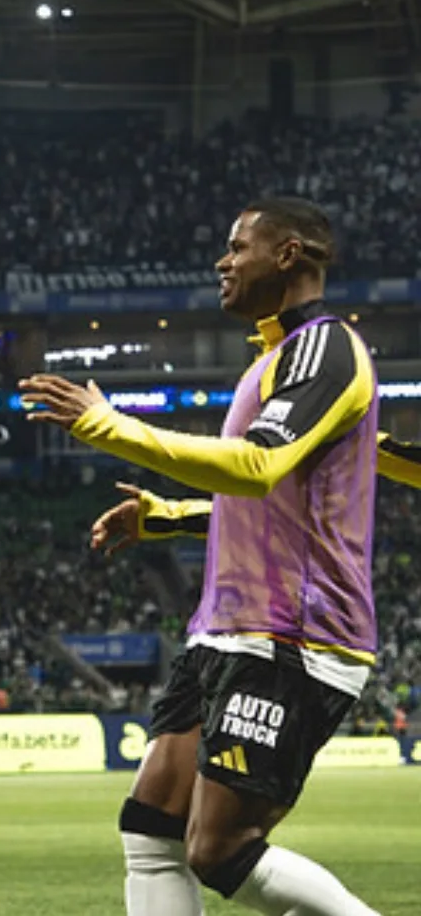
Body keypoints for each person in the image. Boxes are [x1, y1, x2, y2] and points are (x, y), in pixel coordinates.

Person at [22, 197, 385, 916]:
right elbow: (269, 508)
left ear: (289, 253)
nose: (224, 261)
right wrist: (169, 517)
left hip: (292, 634)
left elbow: (256, 466)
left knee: (220, 849)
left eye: (238, 247)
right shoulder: (276, 357)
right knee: (150, 830)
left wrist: (110, 426)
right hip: (227, 629)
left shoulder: (327, 349)